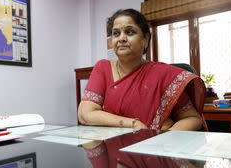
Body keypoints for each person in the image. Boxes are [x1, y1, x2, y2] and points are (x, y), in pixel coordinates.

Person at [78, 8, 206, 131]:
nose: (121, 38)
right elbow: (85, 114)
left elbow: (192, 118)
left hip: (154, 147)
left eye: (129, 32)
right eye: (116, 33)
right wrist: (132, 124)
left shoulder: (162, 75)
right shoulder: (102, 68)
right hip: (113, 148)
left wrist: (164, 138)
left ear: (145, 39)